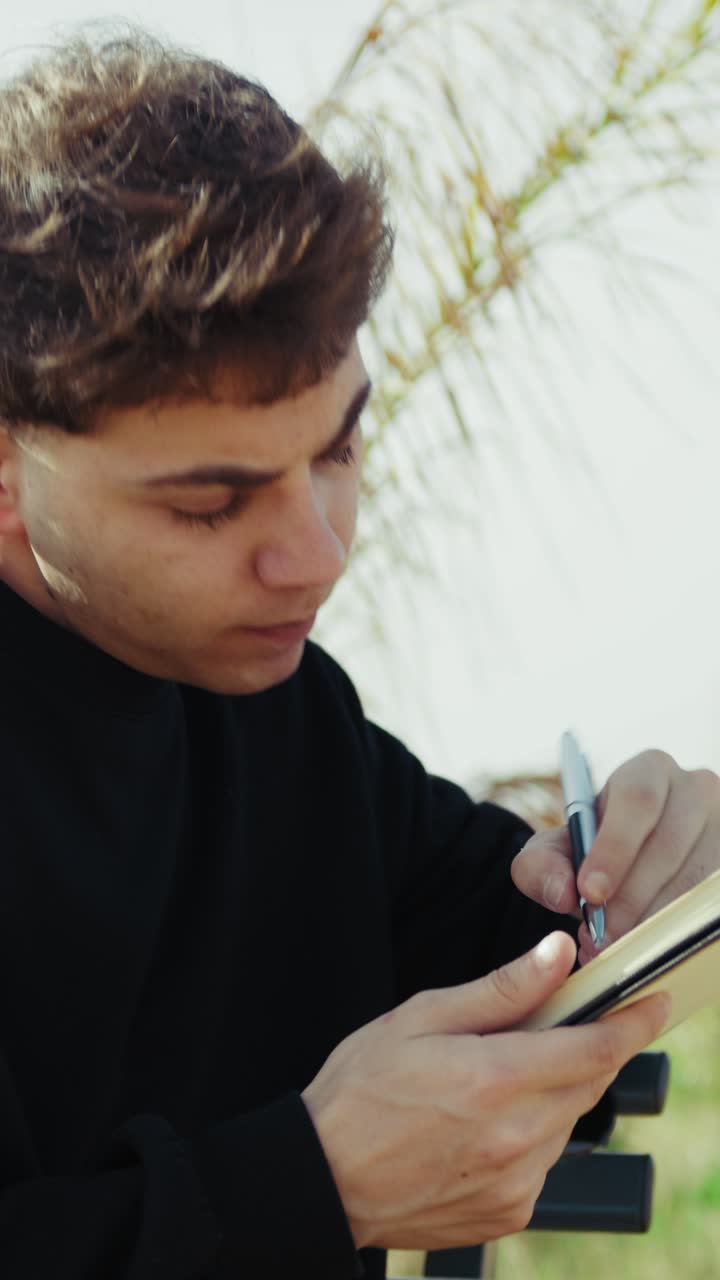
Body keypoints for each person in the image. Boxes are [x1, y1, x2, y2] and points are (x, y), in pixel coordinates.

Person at [0, 25, 717, 1280]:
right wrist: (305, 1185)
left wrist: (646, 887)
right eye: (210, 504)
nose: (319, 553)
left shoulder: (276, 711)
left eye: (337, 449)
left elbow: (491, 935)